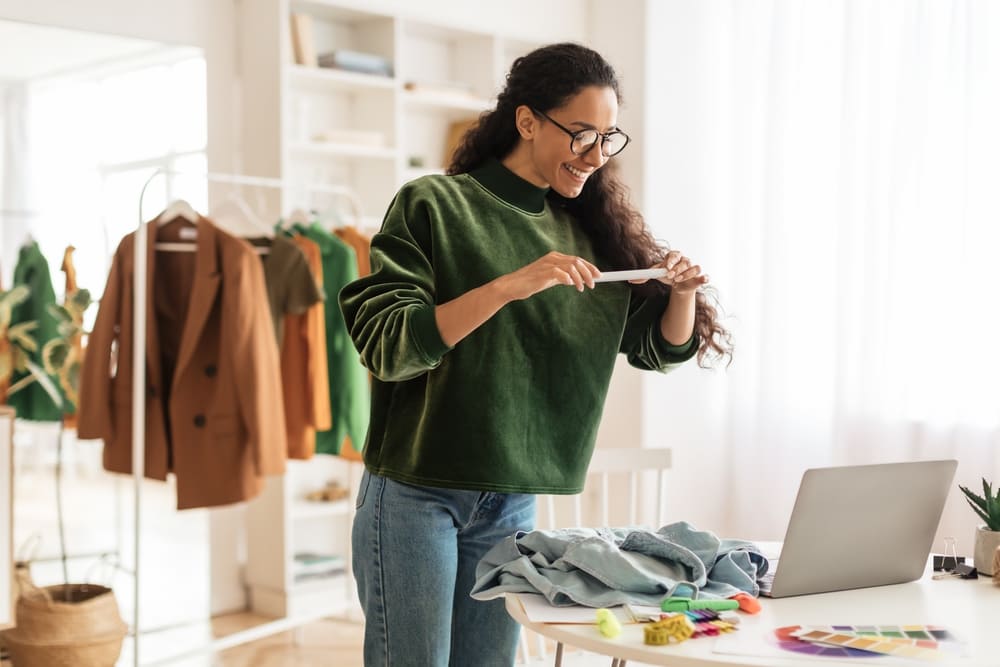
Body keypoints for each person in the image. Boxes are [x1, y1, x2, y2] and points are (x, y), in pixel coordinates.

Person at [339, 42, 732, 667]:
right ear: (527, 122)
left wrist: (681, 295)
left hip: (513, 500)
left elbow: (658, 350)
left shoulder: (592, 232)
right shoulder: (433, 205)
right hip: (417, 493)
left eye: (608, 138)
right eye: (581, 134)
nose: (596, 155)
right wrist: (510, 284)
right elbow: (391, 346)